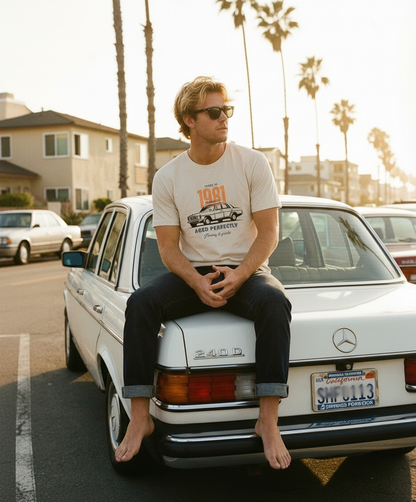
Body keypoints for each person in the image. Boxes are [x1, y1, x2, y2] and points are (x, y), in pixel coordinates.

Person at [115, 76, 292, 470]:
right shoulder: (169, 177)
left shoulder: (252, 162)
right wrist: (195, 282)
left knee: (275, 301)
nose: (223, 118)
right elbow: (166, 247)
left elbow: (269, 232)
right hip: (191, 273)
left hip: (246, 269)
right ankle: (140, 417)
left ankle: (268, 419)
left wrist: (242, 274)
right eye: (213, 112)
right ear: (188, 120)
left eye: (226, 110)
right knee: (141, 303)